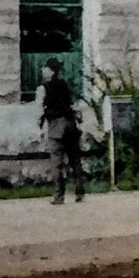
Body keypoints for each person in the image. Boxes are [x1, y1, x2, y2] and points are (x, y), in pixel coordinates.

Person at [36, 58, 84, 203]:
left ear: (50, 71)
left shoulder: (42, 88)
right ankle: (79, 191)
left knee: (56, 161)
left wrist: (40, 125)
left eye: (44, 68)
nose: (42, 70)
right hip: (70, 124)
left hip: (56, 126)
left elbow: (39, 110)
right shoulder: (64, 85)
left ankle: (59, 194)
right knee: (75, 159)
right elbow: (73, 104)